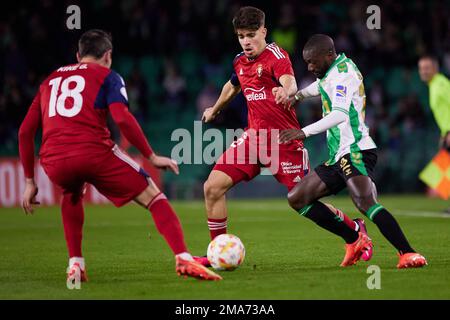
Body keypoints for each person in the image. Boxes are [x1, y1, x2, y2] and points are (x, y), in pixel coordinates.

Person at [18, 29, 222, 285]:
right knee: (154, 195)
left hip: (54, 160)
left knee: (72, 193)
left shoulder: (49, 81)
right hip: (93, 151)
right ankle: (183, 258)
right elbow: (122, 118)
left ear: (78, 55)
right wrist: (151, 155)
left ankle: (76, 266)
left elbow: (25, 132)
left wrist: (29, 182)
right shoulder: (108, 76)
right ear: (108, 55)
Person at [197, 7, 373, 267]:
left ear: (263, 32)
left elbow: (289, 81)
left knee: (302, 202)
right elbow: (233, 85)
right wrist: (215, 108)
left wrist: (286, 91)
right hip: (253, 139)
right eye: (241, 36)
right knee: (212, 188)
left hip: (284, 141)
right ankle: (216, 254)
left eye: (251, 35)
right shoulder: (239, 61)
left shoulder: (276, 56)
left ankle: (355, 232)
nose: (246, 41)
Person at [278, 34, 427, 268]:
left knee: (364, 202)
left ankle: (408, 253)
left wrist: (303, 132)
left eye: (313, 62)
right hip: (338, 154)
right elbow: (321, 86)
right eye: (307, 62)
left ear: (328, 55)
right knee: (297, 198)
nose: (309, 66)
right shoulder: (333, 70)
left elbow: (339, 115)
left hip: (355, 150)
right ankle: (355, 237)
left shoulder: (343, 74)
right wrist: (298, 95)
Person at [418, 56, 450, 213]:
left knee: (444, 171)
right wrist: (444, 133)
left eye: (427, 68)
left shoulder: (441, 84)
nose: (423, 71)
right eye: (421, 68)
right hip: (447, 133)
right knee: (444, 170)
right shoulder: (434, 85)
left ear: (435, 69)